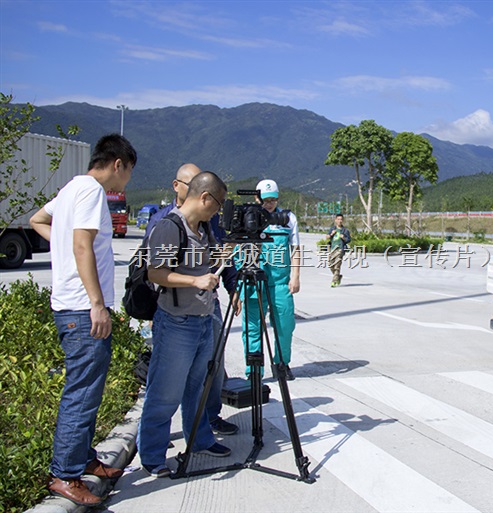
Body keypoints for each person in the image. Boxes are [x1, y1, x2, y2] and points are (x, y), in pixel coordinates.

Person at [30, 134, 137, 506]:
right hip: (82, 309)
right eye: (128, 174)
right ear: (118, 164)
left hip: (69, 306)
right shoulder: (92, 192)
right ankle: (65, 474)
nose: (126, 183)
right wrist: (97, 303)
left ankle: (84, 459)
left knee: (87, 389)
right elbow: (81, 245)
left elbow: (37, 220)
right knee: (82, 392)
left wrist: (61, 246)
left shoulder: (70, 188)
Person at [139, 172, 232, 478]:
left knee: (197, 389)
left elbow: (201, 262)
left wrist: (222, 256)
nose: (217, 212)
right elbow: (155, 273)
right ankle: (152, 455)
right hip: (177, 323)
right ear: (205, 197)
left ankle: (200, 439)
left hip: (204, 320)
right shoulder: (169, 226)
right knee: (165, 392)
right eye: (217, 205)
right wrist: (195, 280)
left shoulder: (203, 228)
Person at [237, 179, 300, 380]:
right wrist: (238, 289)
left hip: (280, 283)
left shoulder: (287, 218)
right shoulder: (248, 219)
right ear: (257, 198)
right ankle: (254, 371)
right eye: (265, 200)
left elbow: (296, 249)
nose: (269, 204)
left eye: (273, 200)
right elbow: (238, 255)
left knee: (285, 324)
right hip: (254, 282)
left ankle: (281, 363)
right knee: (252, 326)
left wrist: (296, 276)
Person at [325, 213, 351, 287]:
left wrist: (344, 238)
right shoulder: (332, 229)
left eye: (341, 219)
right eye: (338, 219)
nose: (340, 221)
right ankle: (338, 276)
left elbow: (348, 240)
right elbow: (327, 237)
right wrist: (331, 234)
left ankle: (334, 281)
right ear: (336, 220)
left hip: (340, 249)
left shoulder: (345, 230)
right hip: (332, 249)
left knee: (337, 265)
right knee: (330, 265)